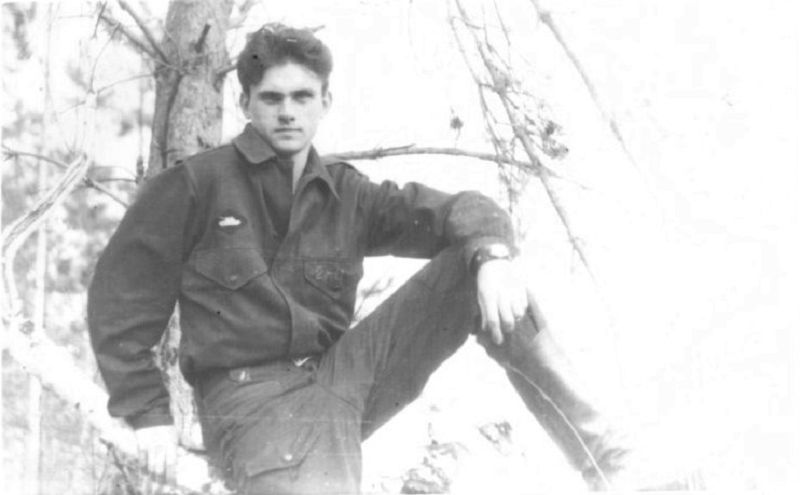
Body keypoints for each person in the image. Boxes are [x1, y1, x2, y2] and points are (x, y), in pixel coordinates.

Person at [88, 24, 635, 494]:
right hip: (250, 402)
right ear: (245, 103)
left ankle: (612, 466)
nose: (287, 112)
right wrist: (147, 414)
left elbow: (460, 210)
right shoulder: (196, 185)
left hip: (344, 377)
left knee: (475, 266)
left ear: (325, 103)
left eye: (302, 97)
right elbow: (119, 302)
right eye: (271, 98)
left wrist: (493, 256)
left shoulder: (346, 194)